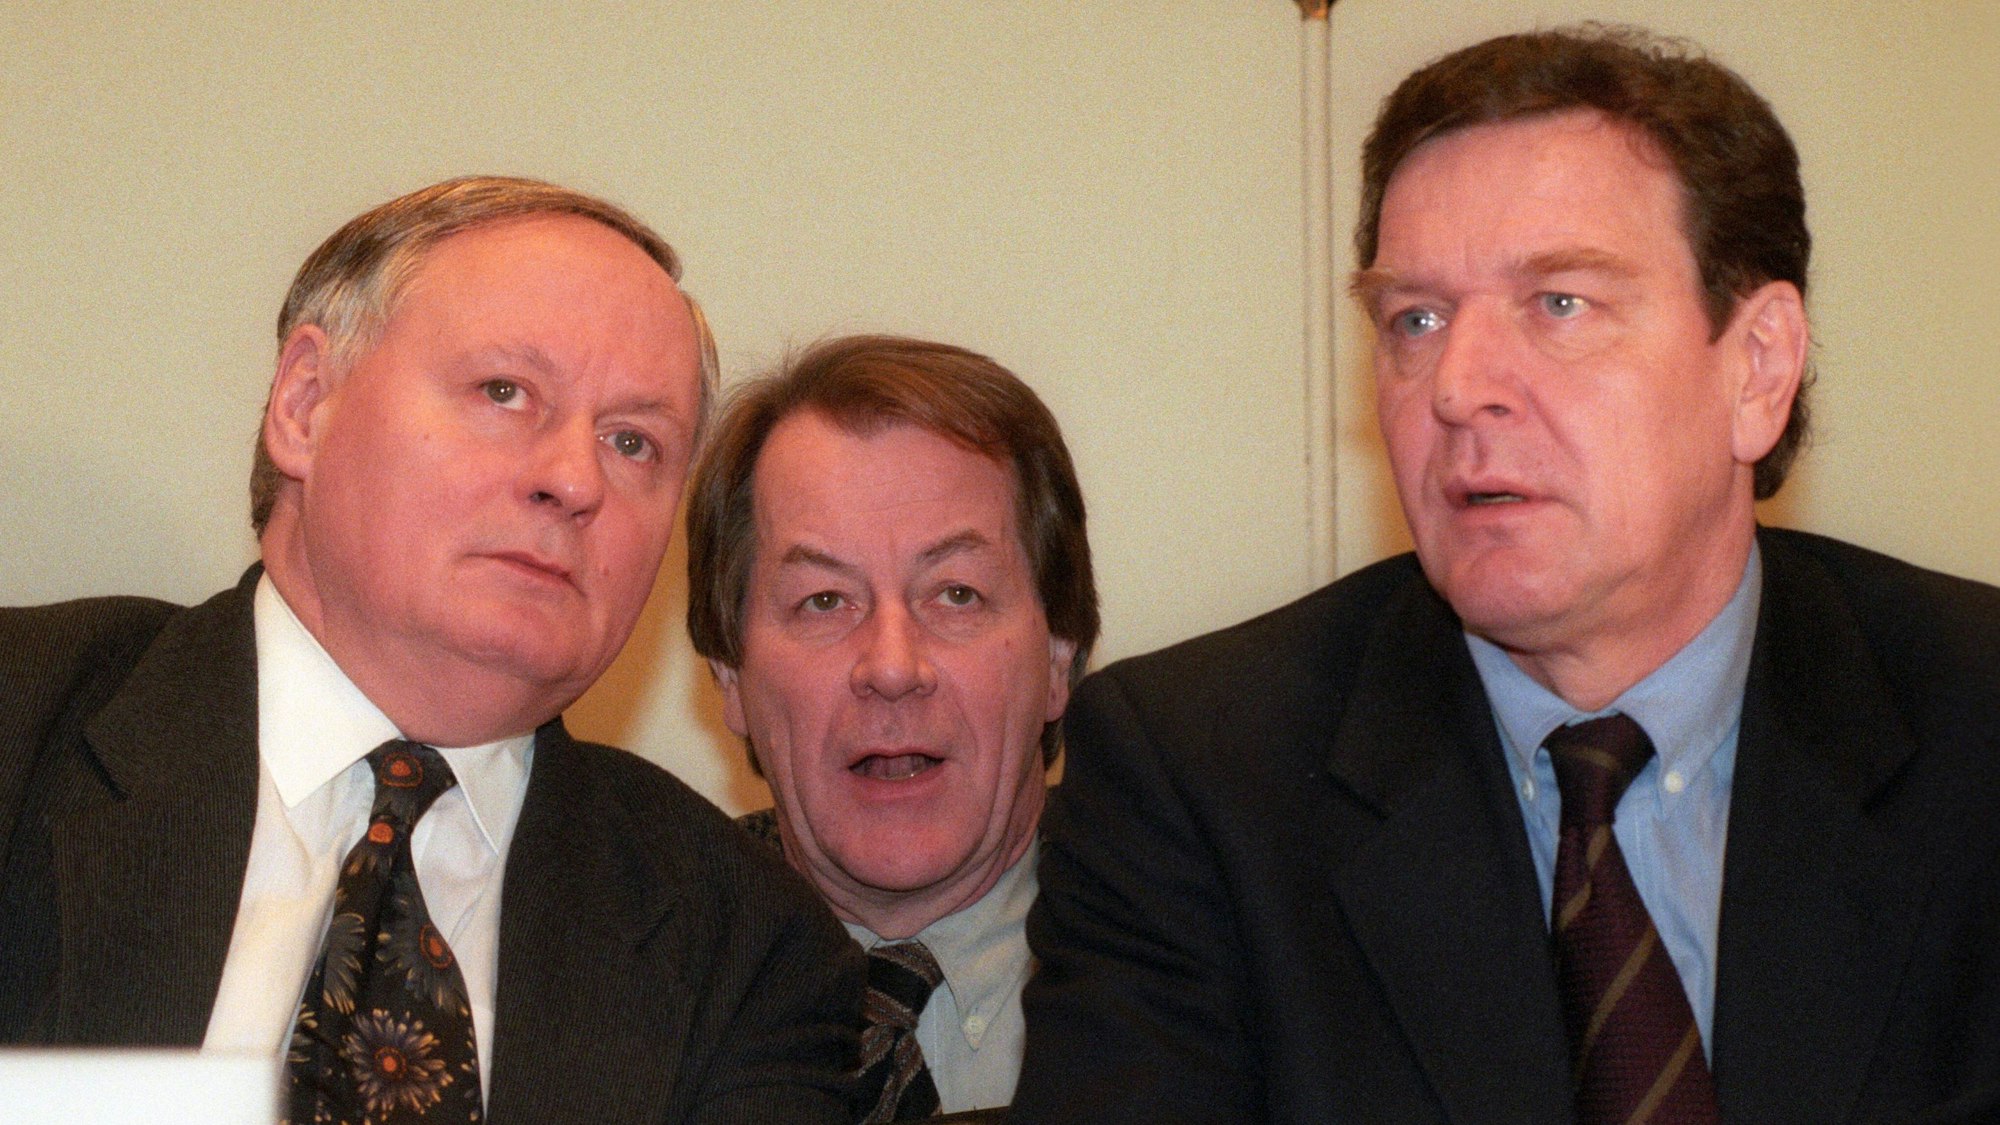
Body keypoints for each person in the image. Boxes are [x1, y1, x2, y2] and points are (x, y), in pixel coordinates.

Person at [1015, 25, 2000, 1125]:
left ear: (1756, 368)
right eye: (1414, 320)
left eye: (1558, 303)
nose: (1455, 385)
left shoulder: (1978, 723)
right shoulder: (1198, 781)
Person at [0, 176, 863, 1123]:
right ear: (304, 402)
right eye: (505, 391)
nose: (574, 479)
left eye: (632, 442)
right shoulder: (24, 712)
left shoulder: (743, 944)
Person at [685, 334, 1099, 1122]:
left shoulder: (1203, 952)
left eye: (956, 594)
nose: (892, 665)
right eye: (823, 601)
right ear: (729, 676)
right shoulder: (613, 977)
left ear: (1058, 656)